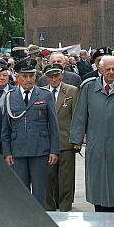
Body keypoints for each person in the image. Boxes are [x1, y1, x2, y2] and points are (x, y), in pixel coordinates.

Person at [71, 55, 114, 212]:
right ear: (100, 69)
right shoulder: (88, 87)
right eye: (108, 69)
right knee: (97, 182)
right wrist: (76, 140)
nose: (111, 72)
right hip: (96, 144)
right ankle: (99, 214)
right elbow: (80, 114)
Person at [1, 59, 59, 207]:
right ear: (17, 77)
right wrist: (7, 152)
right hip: (18, 150)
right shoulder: (10, 96)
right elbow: (6, 128)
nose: (28, 79)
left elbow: (53, 125)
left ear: (35, 77)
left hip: (40, 149)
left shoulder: (45, 95)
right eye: (24, 76)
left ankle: (40, 221)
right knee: (21, 190)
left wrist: (54, 150)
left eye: (31, 76)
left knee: (40, 190)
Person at [41, 63, 79, 211]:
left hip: (66, 140)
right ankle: (49, 207)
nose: (54, 79)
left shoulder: (72, 91)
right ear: (46, 78)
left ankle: (65, 207)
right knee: (48, 176)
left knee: (66, 178)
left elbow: (77, 115)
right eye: (50, 76)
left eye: (56, 76)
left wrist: (76, 139)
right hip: (47, 142)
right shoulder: (42, 92)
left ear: (62, 75)